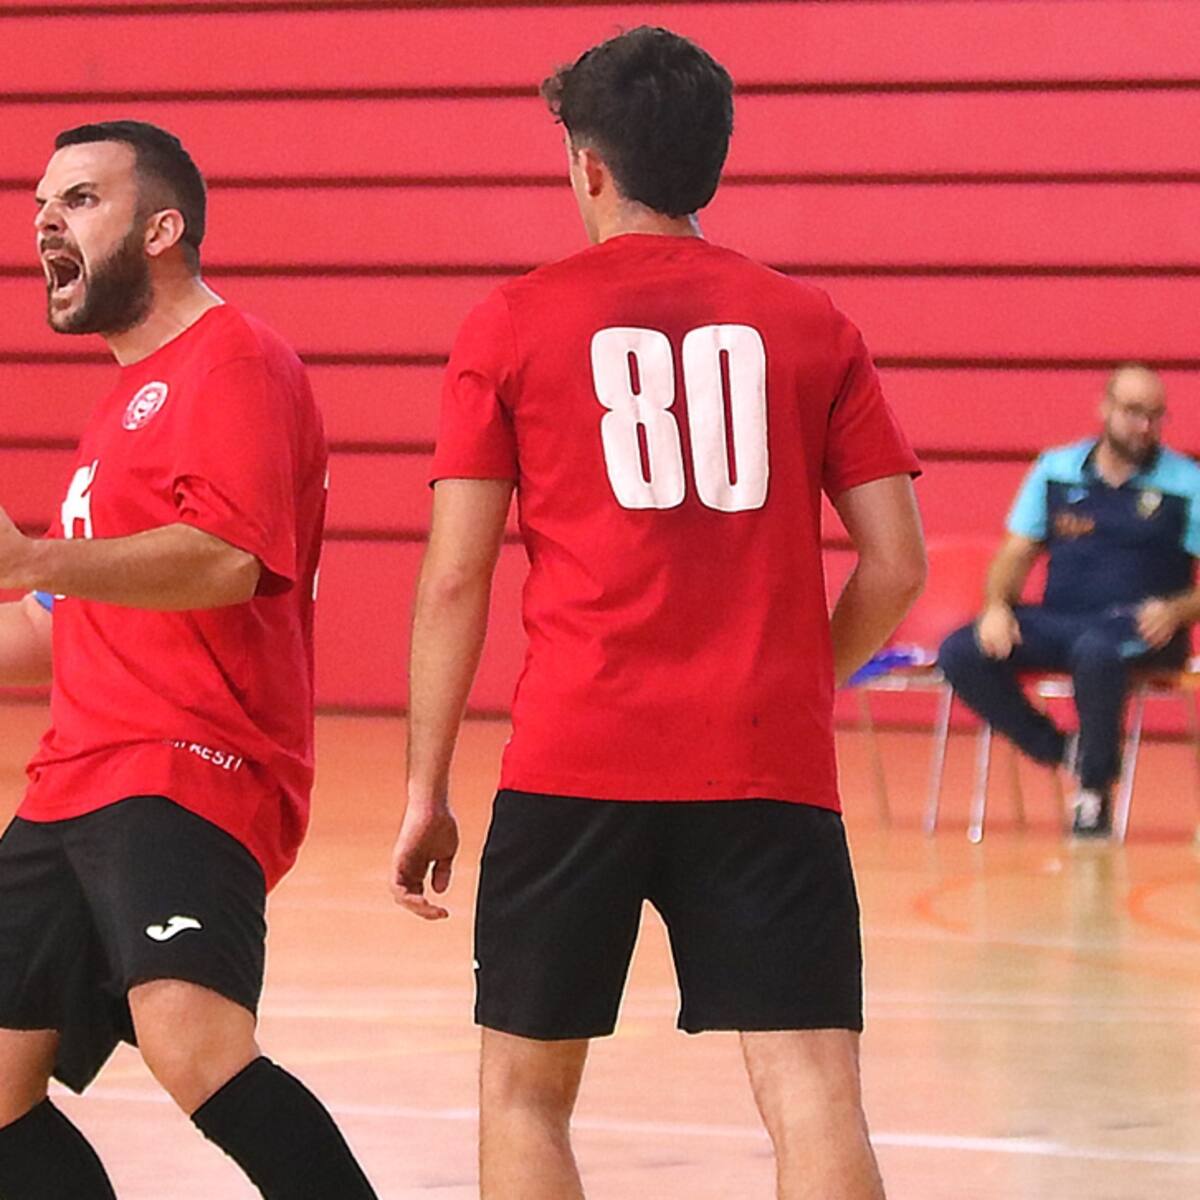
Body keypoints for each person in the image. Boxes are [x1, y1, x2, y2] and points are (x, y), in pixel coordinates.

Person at [390, 27, 924, 1200]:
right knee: (813, 1092)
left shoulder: (512, 322)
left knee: (525, 1095)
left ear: (587, 165)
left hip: (576, 757)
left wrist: (428, 788)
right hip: (764, 764)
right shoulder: (812, 322)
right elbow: (895, 565)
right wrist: (798, 680)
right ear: (711, 161)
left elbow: (454, 579)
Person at [0, 121, 378, 1199]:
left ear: (162, 229)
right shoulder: (115, 408)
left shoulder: (236, 359)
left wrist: (32, 551)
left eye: (78, 200)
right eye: (40, 204)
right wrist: (39, 569)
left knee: (195, 1045)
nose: (43, 223)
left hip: (187, 760)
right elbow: (52, 621)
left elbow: (226, 560)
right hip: (74, 777)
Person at [938, 364, 1200, 838]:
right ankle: (1062, 750)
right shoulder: (1055, 470)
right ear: (1105, 409)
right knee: (961, 650)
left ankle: (1093, 794)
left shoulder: (1187, 481)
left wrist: (1178, 610)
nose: (1144, 426)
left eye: (1155, 415)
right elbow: (1014, 553)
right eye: (1133, 412)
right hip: (1063, 619)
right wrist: (997, 606)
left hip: (1141, 627)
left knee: (1096, 652)